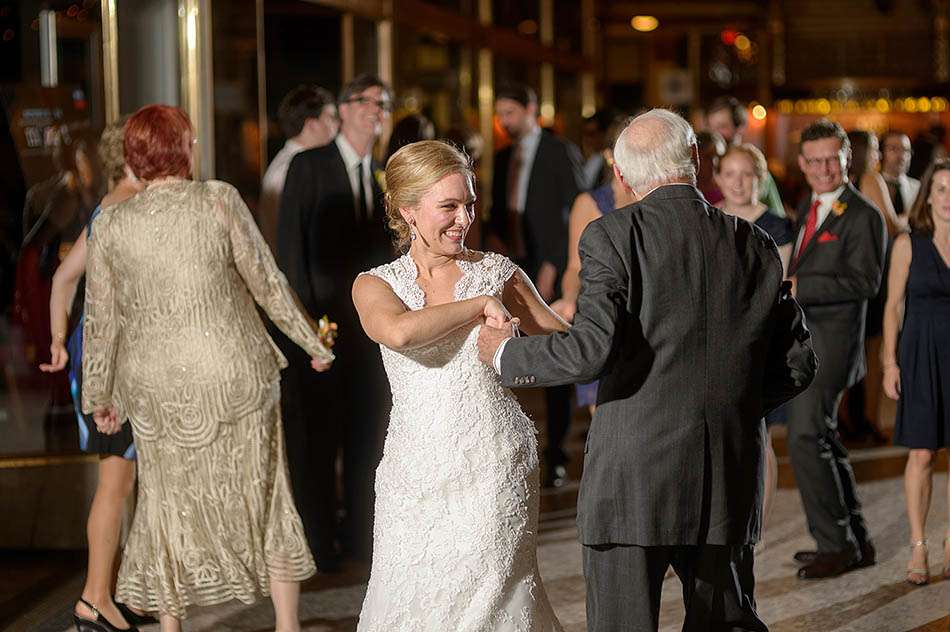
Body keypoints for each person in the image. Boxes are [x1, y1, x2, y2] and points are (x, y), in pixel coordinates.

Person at [477, 109, 817, 632]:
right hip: (726, 472)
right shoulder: (756, 244)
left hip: (633, 475)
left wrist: (505, 354)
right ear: (698, 162)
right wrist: (731, 404)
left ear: (621, 175)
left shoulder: (610, 235)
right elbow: (797, 365)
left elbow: (590, 352)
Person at [81, 104, 334, 632]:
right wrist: (312, 341)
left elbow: (102, 318)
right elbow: (266, 281)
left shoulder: (111, 224)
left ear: (134, 157)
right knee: (266, 494)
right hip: (233, 372)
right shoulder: (218, 198)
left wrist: (98, 397)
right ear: (182, 148)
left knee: (164, 505)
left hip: (154, 387)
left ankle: (172, 629)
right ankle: (287, 626)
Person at [352, 140, 566, 630]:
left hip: (495, 460)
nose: (463, 219)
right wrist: (478, 306)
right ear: (407, 210)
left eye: (469, 204)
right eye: (448, 206)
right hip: (412, 474)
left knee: (490, 602)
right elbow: (400, 332)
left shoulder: (497, 272)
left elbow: (565, 345)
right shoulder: (374, 285)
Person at [276, 73, 394, 566]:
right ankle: (320, 544)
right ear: (343, 109)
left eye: (383, 104)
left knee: (368, 436)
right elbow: (290, 252)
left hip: (373, 332)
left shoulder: (384, 173)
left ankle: (363, 540)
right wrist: (306, 331)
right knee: (318, 441)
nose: (376, 111)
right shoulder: (308, 166)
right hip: (321, 331)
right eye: (366, 101)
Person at [39, 118, 151, 632]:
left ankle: (119, 592)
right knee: (116, 480)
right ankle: (94, 600)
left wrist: (61, 341)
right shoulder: (125, 206)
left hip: (102, 353)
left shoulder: (112, 204)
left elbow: (63, 279)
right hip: (115, 359)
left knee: (125, 479)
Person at [786, 118, 886, 579]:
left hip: (835, 342)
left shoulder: (862, 213)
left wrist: (799, 285)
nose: (825, 168)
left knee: (806, 436)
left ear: (847, 158)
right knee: (822, 435)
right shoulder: (810, 203)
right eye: (815, 160)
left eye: (833, 158)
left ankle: (835, 544)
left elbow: (865, 280)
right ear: (803, 164)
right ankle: (854, 539)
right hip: (811, 340)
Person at [487, 82, 584, 488]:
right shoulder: (503, 155)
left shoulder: (559, 150)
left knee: (552, 349)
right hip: (512, 262)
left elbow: (575, 211)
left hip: (548, 263)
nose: (505, 123)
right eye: (501, 115)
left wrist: (554, 264)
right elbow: (497, 209)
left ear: (531, 110)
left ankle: (556, 452)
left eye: (511, 113)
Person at [714, 142, 795, 531]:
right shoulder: (709, 219)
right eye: (730, 174)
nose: (738, 182)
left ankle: (756, 526)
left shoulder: (777, 225)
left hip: (758, 337)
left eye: (746, 174)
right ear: (717, 179)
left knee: (758, 434)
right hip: (714, 338)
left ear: (760, 179)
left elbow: (777, 285)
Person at [881, 158, 950, 585]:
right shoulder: (909, 242)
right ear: (929, 195)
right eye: (941, 189)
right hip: (921, 353)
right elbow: (892, 307)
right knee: (922, 453)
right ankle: (920, 543)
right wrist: (890, 362)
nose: (948, 198)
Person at [551, 115, 635, 413]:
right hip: (601, 318)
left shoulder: (653, 200)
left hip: (645, 320)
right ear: (609, 154)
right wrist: (570, 299)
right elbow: (575, 266)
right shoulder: (589, 204)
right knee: (605, 418)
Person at [258, 85, 338, 253]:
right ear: (311, 125)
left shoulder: (295, 163)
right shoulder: (288, 168)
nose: (337, 126)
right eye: (331, 118)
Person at [705, 96, 786, 216]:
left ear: (740, 128)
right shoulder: (704, 170)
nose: (715, 134)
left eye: (722, 127)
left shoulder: (758, 172)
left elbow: (777, 219)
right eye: (710, 128)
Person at [880, 130, 920, 216]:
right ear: (881, 153)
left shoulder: (918, 188)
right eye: (893, 149)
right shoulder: (871, 185)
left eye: (906, 150)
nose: (901, 155)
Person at [696, 130, 727, 205]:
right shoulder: (688, 191)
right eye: (708, 157)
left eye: (719, 157)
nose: (714, 162)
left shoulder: (729, 189)